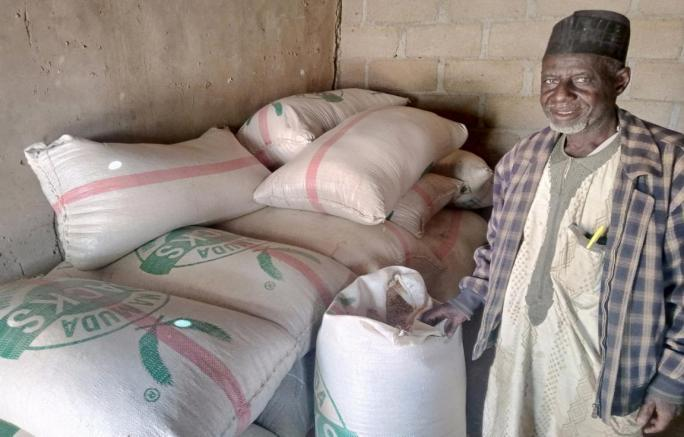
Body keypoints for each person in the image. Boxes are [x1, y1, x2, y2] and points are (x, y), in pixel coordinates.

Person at [421, 9, 683, 436]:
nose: (559, 94)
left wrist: (672, 381)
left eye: (580, 80)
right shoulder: (522, 160)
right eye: (548, 80)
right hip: (522, 345)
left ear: (620, 81)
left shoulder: (669, 167)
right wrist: (466, 301)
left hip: (607, 366)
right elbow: (501, 248)